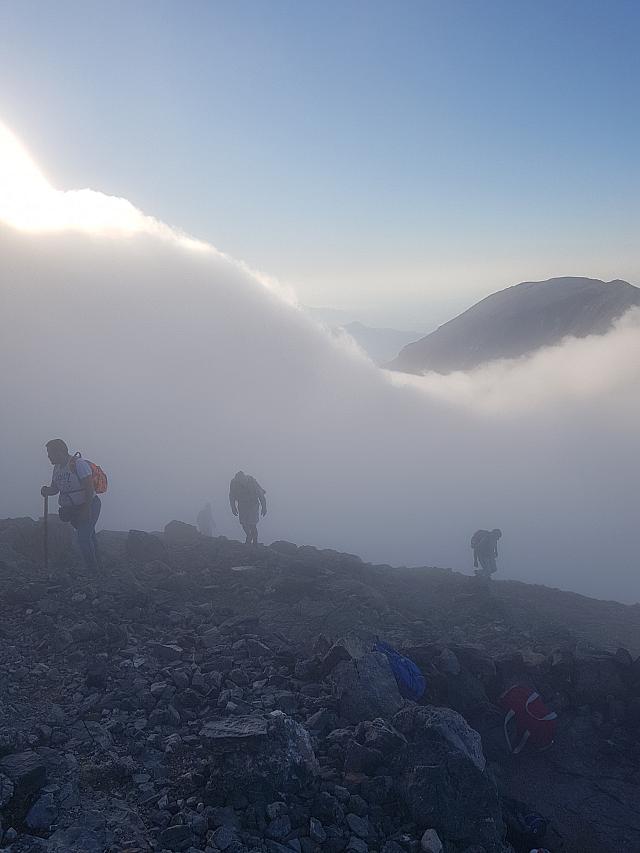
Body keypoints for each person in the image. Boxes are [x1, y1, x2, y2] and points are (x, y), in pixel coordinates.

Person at [41, 439, 101, 571]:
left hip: (89, 505)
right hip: (74, 509)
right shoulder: (57, 469)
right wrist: (46, 491)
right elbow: (55, 489)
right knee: (89, 536)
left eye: (50, 453)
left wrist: (86, 510)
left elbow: (89, 488)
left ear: (60, 451)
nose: (48, 456)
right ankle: (99, 568)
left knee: (83, 538)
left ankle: (93, 571)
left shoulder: (78, 464)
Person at [229, 471, 267, 546]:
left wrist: (264, 507)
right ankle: (249, 536)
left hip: (253, 505)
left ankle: (255, 541)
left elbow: (260, 494)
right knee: (243, 523)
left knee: (252, 524)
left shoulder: (251, 481)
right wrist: (233, 507)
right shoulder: (234, 483)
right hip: (242, 505)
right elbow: (232, 495)